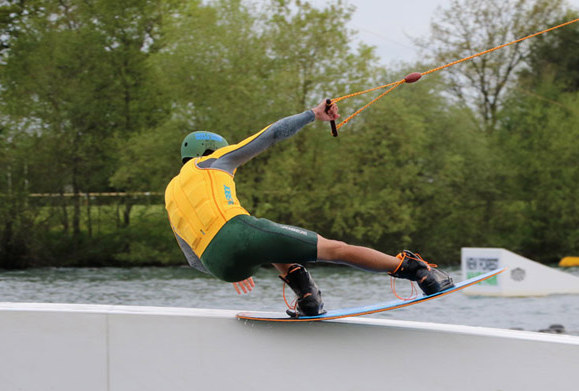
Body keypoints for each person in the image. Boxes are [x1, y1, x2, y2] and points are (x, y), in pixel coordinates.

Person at [164, 99, 453, 317]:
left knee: (271, 243)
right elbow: (271, 135)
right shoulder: (214, 160)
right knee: (334, 249)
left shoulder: (171, 194)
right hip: (238, 233)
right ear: (211, 151)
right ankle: (419, 271)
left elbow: (193, 261)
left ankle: (308, 298)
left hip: (219, 265)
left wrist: (233, 263)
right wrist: (313, 114)